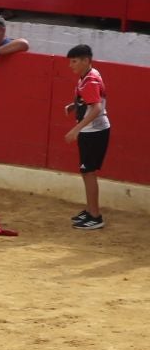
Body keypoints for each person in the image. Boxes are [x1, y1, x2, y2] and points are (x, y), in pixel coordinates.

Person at [65, 44, 110, 230]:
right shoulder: (90, 75)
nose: (71, 66)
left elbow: (97, 107)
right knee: (86, 171)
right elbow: (91, 101)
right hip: (93, 130)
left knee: (89, 172)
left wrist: (76, 129)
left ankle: (95, 216)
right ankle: (91, 210)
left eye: (74, 61)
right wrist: (74, 106)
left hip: (93, 131)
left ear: (86, 60)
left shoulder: (89, 80)